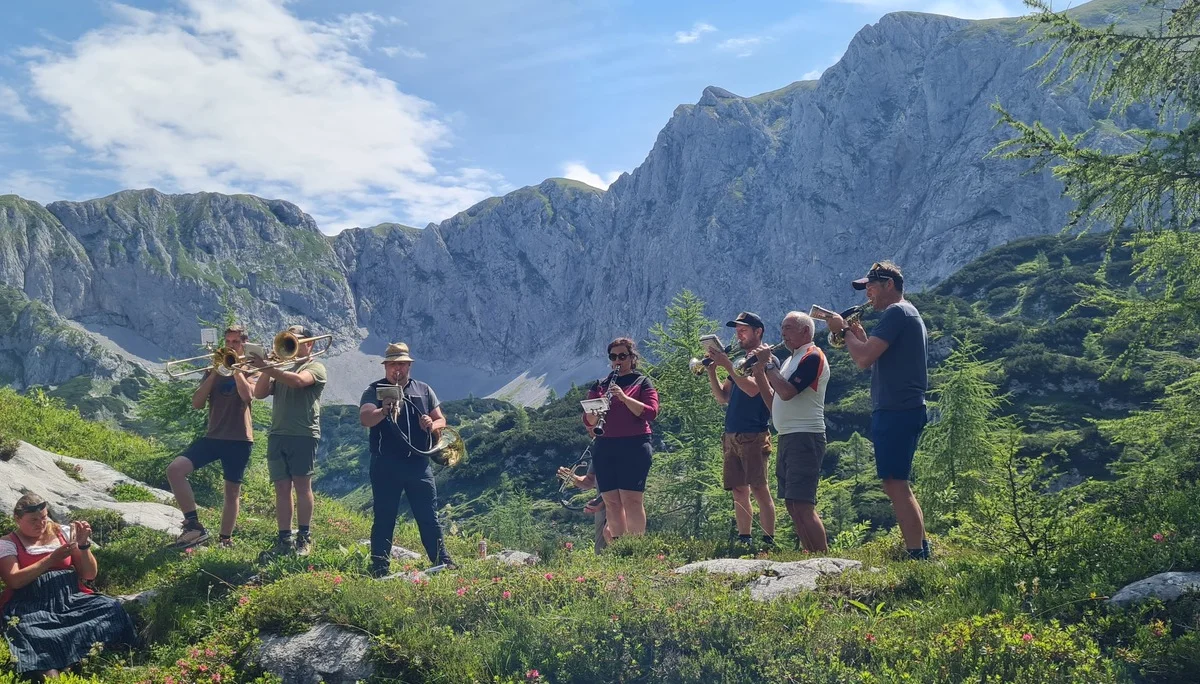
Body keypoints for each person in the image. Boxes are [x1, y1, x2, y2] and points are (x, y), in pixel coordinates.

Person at [825, 261, 931, 560]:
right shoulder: (906, 313)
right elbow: (871, 352)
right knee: (899, 482)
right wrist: (857, 334)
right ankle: (921, 547)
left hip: (896, 407)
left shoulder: (897, 312)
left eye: (871, 286)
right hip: (903, 406)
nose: (867, 293)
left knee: (894, 482)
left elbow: (863, 359)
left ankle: (916, 555)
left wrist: (844, 332)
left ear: (888, 285)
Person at [0, 493, 135, 679]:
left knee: (110, 607)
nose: (40, 523)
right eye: (33, 520)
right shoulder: (7, 543)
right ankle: (55, 668)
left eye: (44, 517)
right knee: (31, 630)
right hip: (31, 603)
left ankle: (74, 661)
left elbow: (89, 574)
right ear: (17, 518)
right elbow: (14, 580)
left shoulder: (61, 532)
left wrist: (83, 545)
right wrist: (50, 560)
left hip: (71, 597)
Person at [359, 342, 455, 577]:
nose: (397, 369)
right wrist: (383, 411)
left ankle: (442, 561)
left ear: (409, 366)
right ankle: (380, 567)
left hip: (418, 463)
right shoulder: (374, 390)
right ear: (386, 366)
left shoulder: (423, 389)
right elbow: (365, 418)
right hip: (385, 464)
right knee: (384, 516)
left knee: (428, 515)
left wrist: (432, 425)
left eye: (401, 364)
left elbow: (441, 419)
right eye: (393, 364)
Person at [166, 325, 257, 549]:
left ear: (244, 344)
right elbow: (197, 403)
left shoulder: (252, 369)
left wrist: (235, 369)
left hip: (239, 439)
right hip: (214, 436)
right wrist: (215, 373)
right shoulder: (213, 369)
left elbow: (247, 396)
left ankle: (225, 539)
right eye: (227, 342)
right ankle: (194, 525)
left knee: (231, 491)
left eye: (235, 342)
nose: (230, 346)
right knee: (175, 469)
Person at [749, 312, 830, 552]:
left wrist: (770, 365)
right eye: (782, 328)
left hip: (805, 436)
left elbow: (787, 392)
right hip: (788, 436)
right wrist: (760, 373)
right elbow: (774, 401)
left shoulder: (812, 356)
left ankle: (822, 557)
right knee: (793, 503)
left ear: (805, 331)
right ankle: (810, 553)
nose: (783, 333)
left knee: (803, 503)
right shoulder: (789, 360)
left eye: (789, 328)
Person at [250, 324, 327, 557]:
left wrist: (268, 366)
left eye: (296, 340)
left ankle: (304, 536)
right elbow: (259, 393)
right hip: (278, 434)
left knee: (302, 487)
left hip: (302, 434)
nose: (290, 343)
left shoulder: (316, 366)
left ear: (309, 343)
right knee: (281, 488)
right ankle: (284, 538)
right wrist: (267, 368)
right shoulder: (280, 368)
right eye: (288, 339)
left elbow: (297, 381)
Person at [705, 312, 779, 549]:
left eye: (744, 329)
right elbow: (722, 397)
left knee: (759, 487)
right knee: (738, 489)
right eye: (737, 329)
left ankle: (768, 541)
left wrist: (726, 364)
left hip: (753, 432)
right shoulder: (739, 361)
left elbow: (753, 390)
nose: (739, 333)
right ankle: (744, 539)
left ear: (758, 332)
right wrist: (711, 371)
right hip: (732, 433)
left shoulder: (766, 359)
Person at [581, 337, 659, 540]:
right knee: (612, 501)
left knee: (631, 499)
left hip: (634, 445)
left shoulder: (642, 382)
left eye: (622, 356)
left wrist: (624, 398)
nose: (618, 360)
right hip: (605, 446)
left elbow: (651, 412)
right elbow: (588, 421)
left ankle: (636, 548)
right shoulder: (600, 385)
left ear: (632, 358)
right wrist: (596, 410)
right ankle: (618, 548)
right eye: (613, 356)